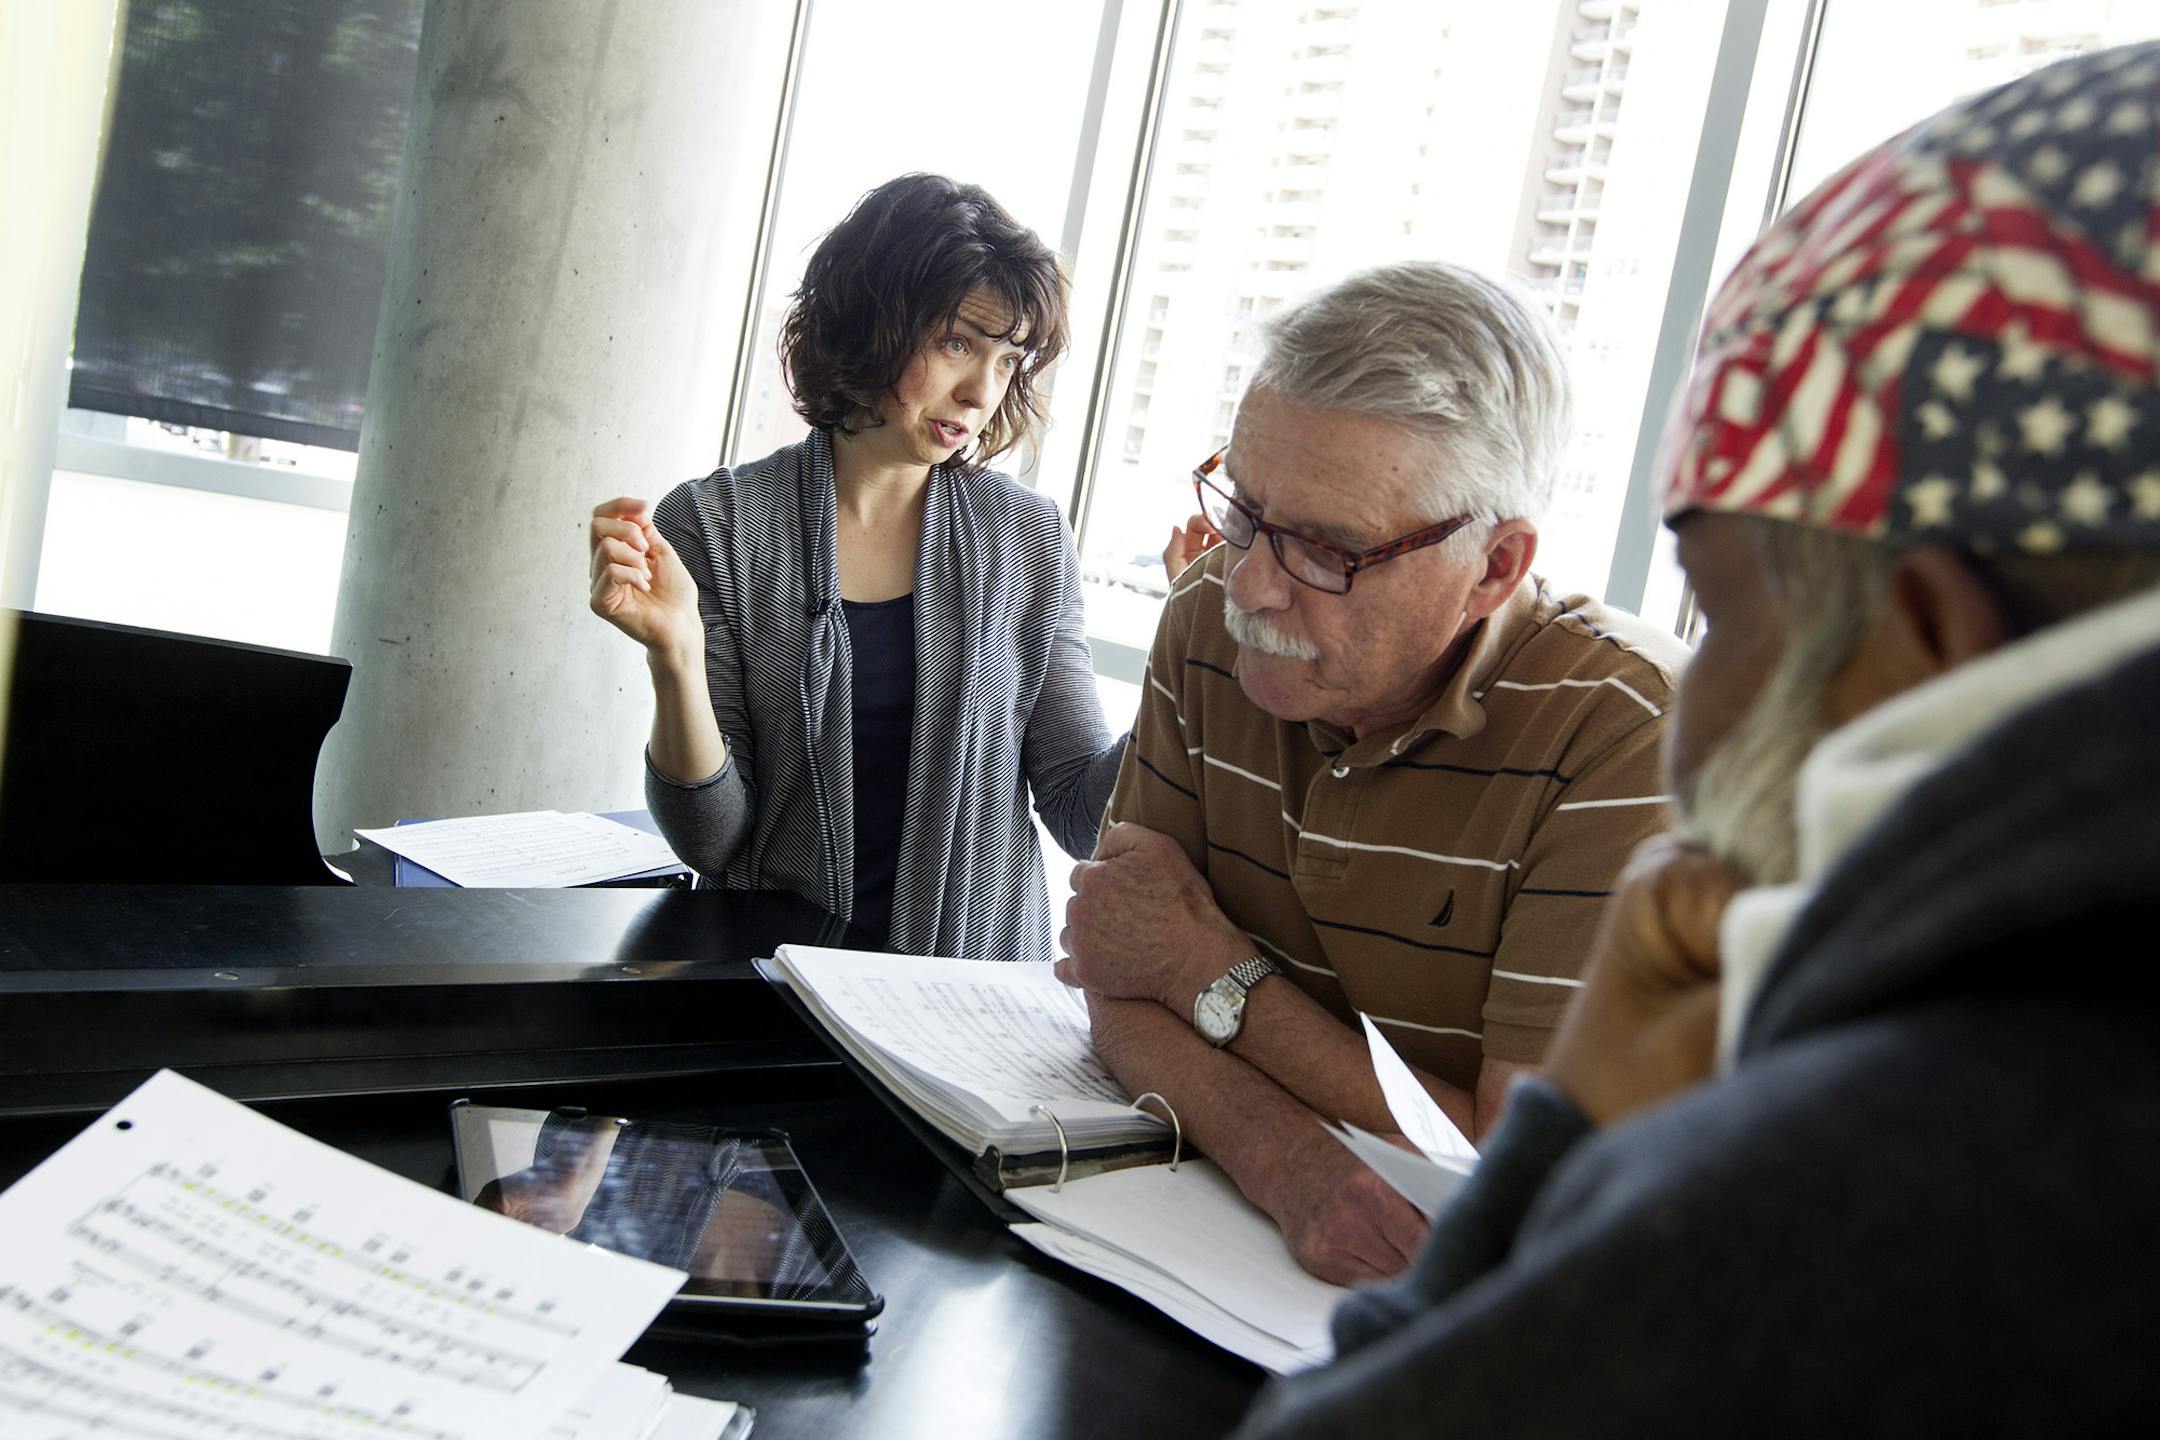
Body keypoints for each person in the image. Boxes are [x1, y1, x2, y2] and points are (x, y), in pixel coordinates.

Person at [1235, 43, 2160, 1437]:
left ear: (1925, 640)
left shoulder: (1885, 1174)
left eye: (1721, 617)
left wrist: (1576, 1152)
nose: (1696, 720)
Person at [1056, 261, 1690, 1284]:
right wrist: (1283, 1157)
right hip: (1215, 1251)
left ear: (1494, 566)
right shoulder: (1206, 621)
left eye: (1328, 549)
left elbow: (1518, 1163)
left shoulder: (1629, 737)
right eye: (1248, 510)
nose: (1252, 585)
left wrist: (1209, 975)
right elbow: (1118, 968)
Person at [588, 174, 1124, 962]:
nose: (981, 391)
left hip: (968, 1016)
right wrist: (676, 653)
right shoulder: (717, 525)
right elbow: (713, 839)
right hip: (775, 1000)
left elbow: (1084, 816)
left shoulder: (1028, 539)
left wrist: (1193, 657)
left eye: (1008, 361)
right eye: (956, 343)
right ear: (874, 324)